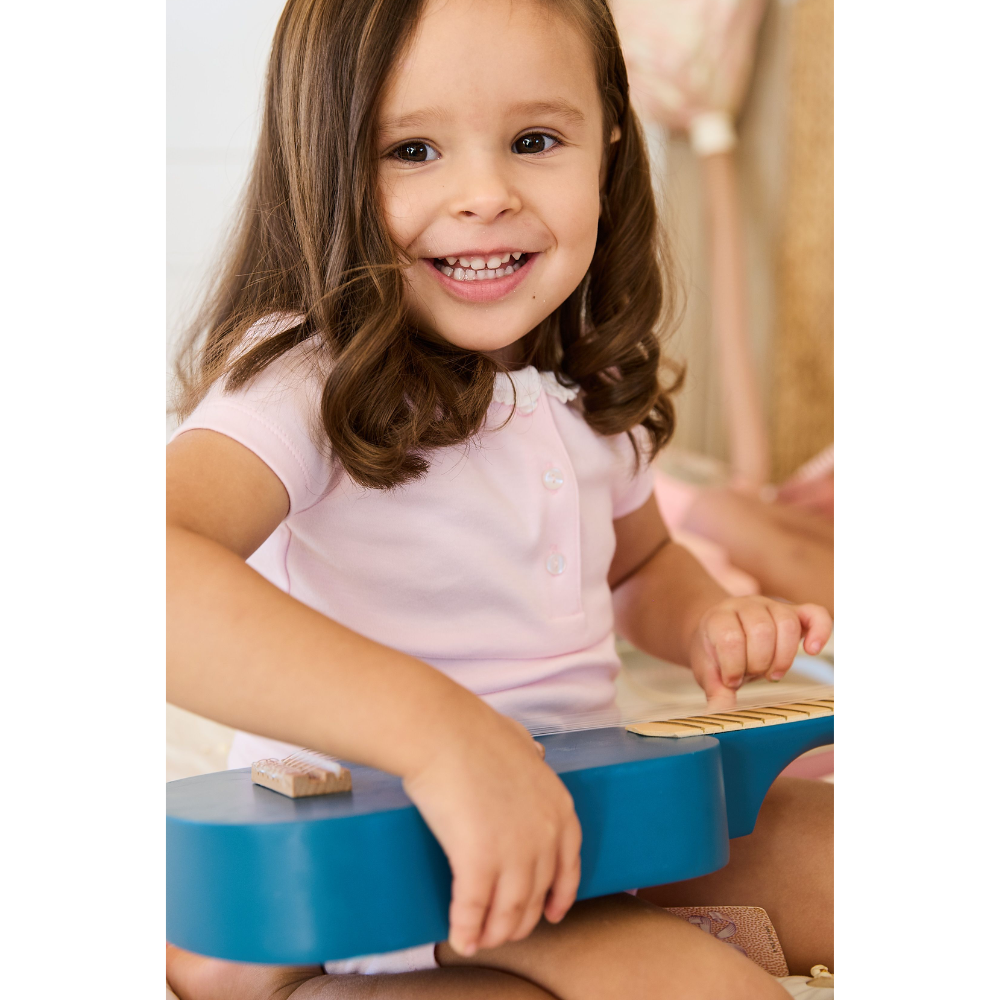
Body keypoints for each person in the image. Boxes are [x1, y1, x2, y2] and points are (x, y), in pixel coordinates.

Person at [165, 1, 833, 996]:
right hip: (388, 854)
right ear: (324, 163)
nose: (484, 195)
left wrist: (705, 616)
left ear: (609, 141)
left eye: (534, 140)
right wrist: (441, 737)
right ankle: (283, 962)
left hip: (589, 817)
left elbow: (642, 563)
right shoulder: (305, 379)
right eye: (413, 150)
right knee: (707, 989)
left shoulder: (591, 380)